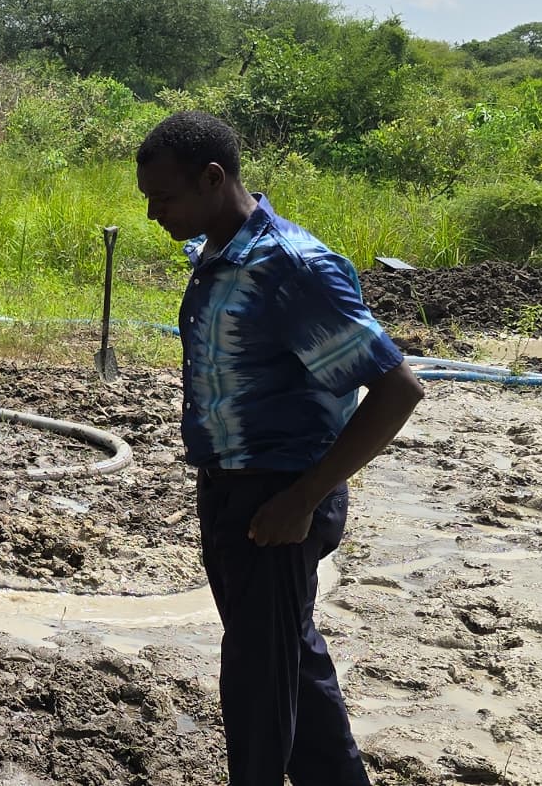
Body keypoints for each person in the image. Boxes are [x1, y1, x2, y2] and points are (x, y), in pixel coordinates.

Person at [133, 111, 425, 786]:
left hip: (278, 499)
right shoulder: (215, 254)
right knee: (289, 661)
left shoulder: (291, 267)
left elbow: (398, 390)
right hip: (232, 489)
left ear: (213, 179)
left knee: (256, 692)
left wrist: (303, 497)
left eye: (165, 197)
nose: (153, 213)